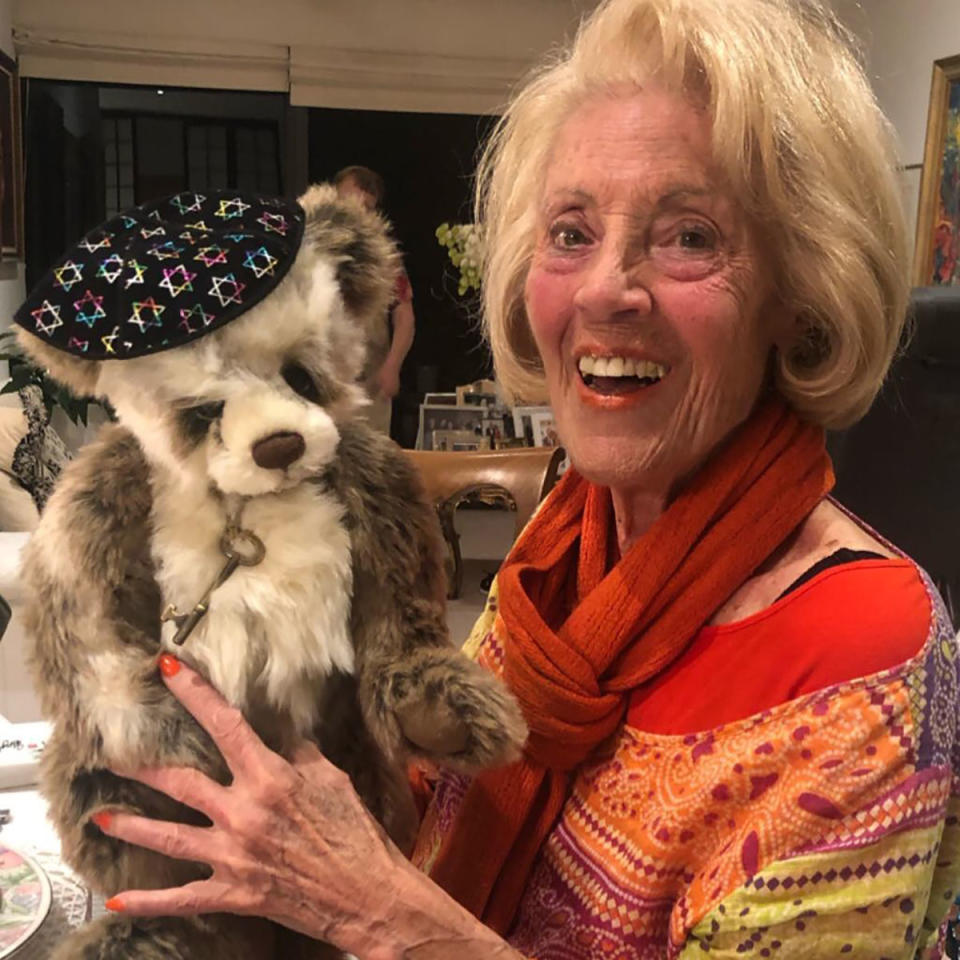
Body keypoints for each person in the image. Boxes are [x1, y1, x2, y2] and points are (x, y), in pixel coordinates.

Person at [91, 0, 960, 956]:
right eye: (572, 232)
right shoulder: (565, 543)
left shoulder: (864, 660)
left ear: (801, 296)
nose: (602, 290)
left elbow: (389, 894)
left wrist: (377, 911)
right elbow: (435, 792)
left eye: (690, 236)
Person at [334, 165, 416, 434]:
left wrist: (392, 366)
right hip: (326, 377)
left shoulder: (385, 257)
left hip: (371, 380)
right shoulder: (313, 248)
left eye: (365, 207)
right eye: (348, 201)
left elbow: (404, 315)